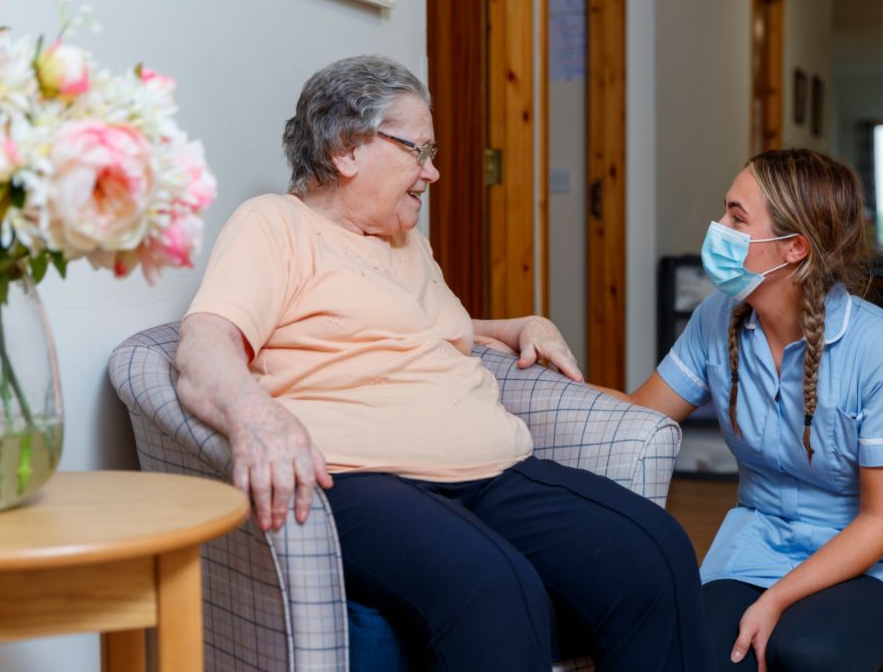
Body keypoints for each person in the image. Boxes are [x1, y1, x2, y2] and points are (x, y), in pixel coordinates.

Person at [175, 55, 711, 671]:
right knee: (496, 587)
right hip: (361, 478)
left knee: (655, 549)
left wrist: (508, 326)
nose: (431, 173)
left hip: (493, 470)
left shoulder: (406, 240)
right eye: (418, 151)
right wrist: (253, 414)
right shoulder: (275, 226)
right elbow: (204, 342)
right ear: (348, 149)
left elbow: (410, 327)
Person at [629, 148, 883, 671]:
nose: (718, 227)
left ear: (794, 248)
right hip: (755, 548)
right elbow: (638, 418)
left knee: (808, 653)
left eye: (736, 216)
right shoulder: (716, 318)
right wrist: (538, 375)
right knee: (692, 653)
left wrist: (775, 600)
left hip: (873, 565)